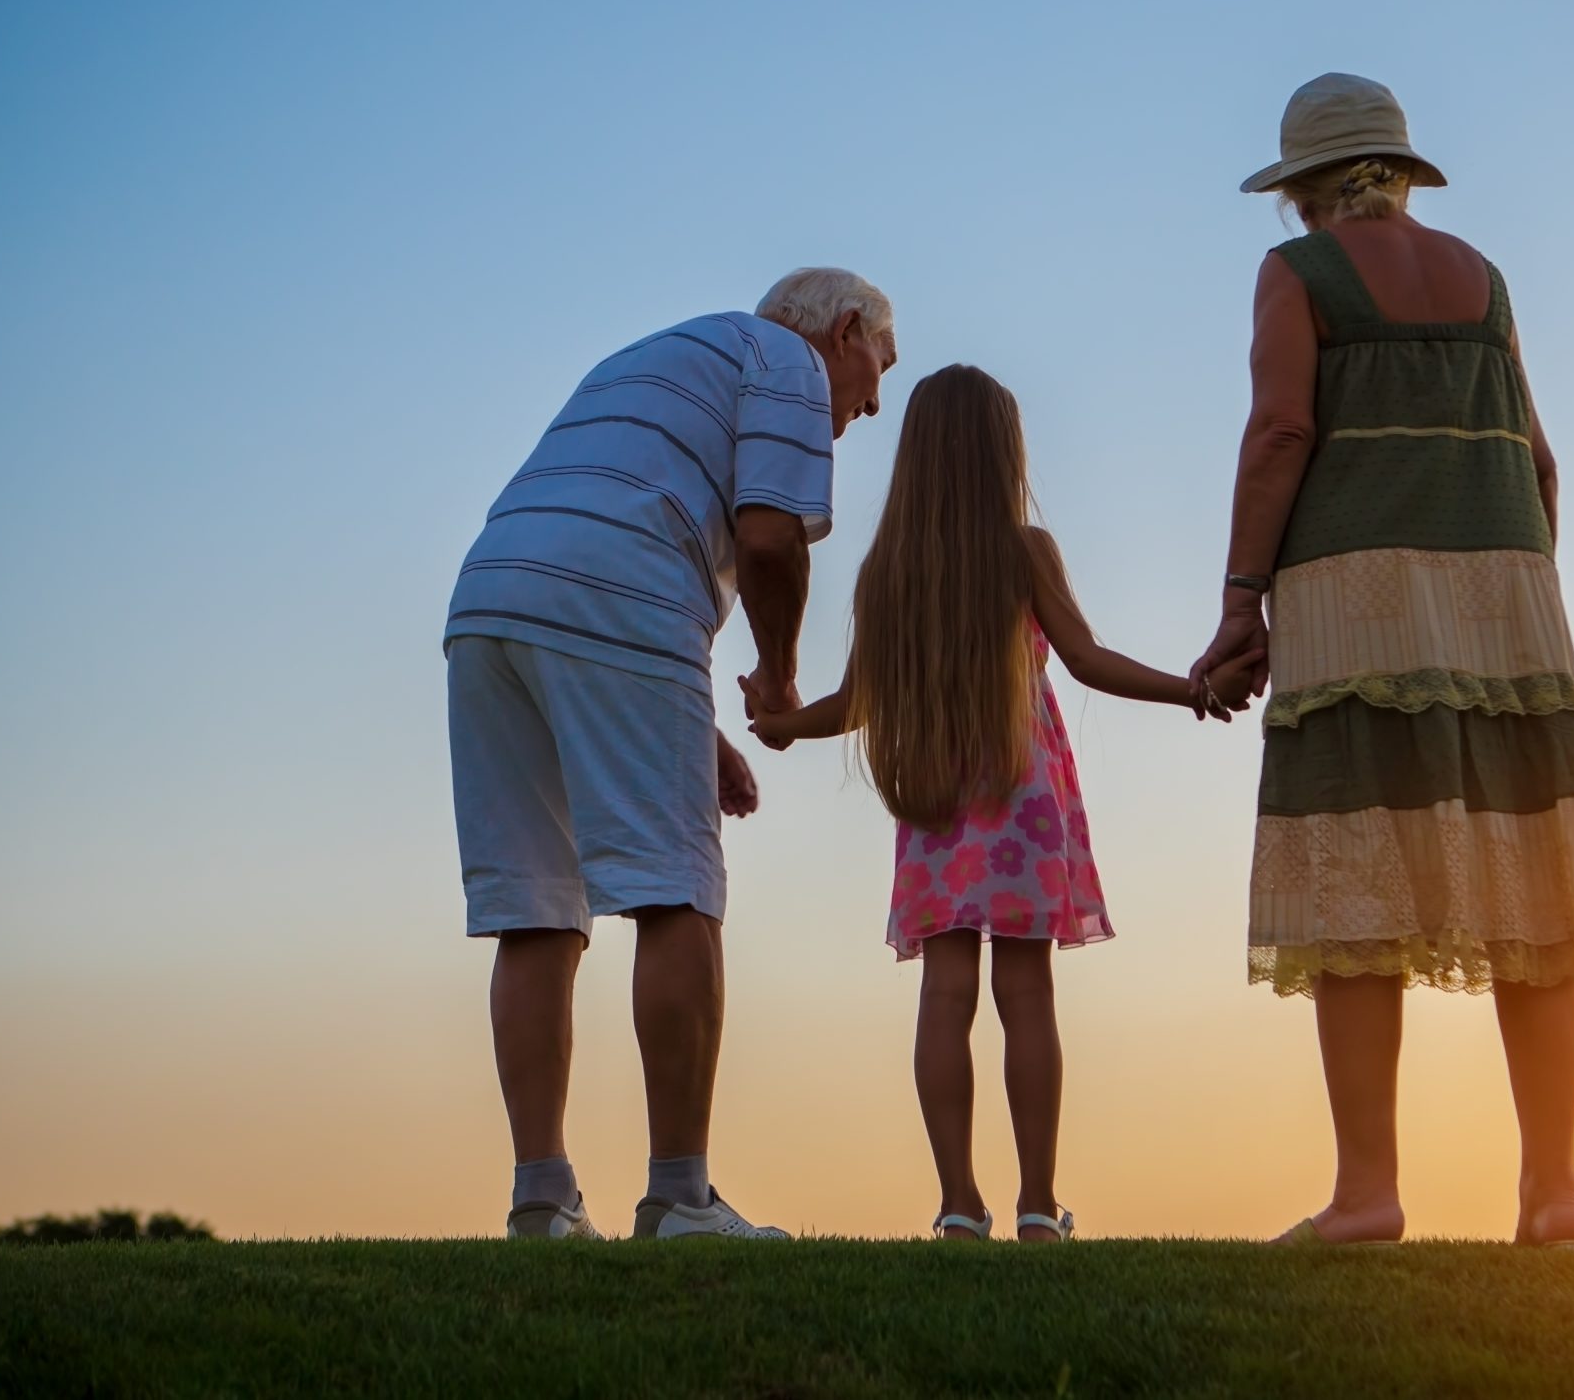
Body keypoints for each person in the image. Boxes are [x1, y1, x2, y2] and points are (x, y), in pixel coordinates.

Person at [1190, 74, 1574, 1248]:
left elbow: (1281, 429)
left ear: (1301, 192)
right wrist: (1509, 589)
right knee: (1533, 871)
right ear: (1399, 173)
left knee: (1356, 874)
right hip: (1505, 590)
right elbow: (1540, 462)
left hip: (1356, 594)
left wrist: (1243, 600)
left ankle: (1367, 1194)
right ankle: (1556, 1193)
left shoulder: (1296, 277)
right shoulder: (1483, 277)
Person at [444, 267, 897, 1240]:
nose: (868, 405)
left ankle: (542, 1200)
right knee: (675, 887)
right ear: (846, 330)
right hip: (621, 599)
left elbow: (598, 533)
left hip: (489, 602)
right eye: (877, 371)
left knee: (533, 906)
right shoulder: (786, 360)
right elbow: (770, 542)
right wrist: (776, 679)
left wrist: (703, 731)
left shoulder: (662, 355)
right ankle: (681, 1197)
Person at [752, 365, 1251, 1242]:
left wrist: (789, 724)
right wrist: (1191, 689)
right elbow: (1088, 659)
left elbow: (858, 701)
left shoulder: (888, 571)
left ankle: (955, 1203)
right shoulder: (1024, 551)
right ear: (999, 454)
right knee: (1027, 994)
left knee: (946, 994)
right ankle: (1034, 1204)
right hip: (1021, 798)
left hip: (935, 799)